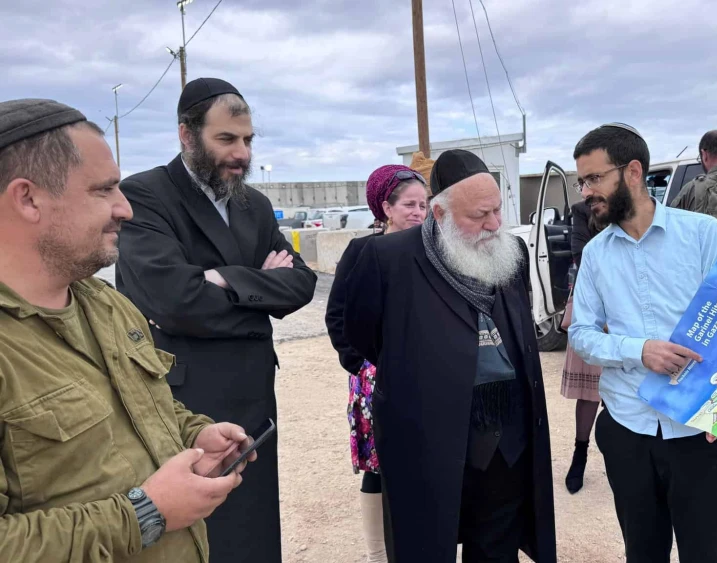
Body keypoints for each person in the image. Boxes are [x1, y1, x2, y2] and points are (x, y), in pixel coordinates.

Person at [0, 98, 257, 562]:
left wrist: (194, 434)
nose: (126, 209)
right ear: (28, 198)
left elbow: (143, 404)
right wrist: (145, 513)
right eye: (103, 190)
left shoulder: (107, 305)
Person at [115, 78, 317, 563]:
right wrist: (258, 287)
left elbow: (301, 285)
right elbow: (175, 300)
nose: (241, 153)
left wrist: (221, 278)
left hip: (254, 395)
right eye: (226, 139)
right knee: (200, 534)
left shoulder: (253, 204)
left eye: (247, 139)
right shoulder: (146, 195)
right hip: (188, 401)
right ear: (187, 134)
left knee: (254, 529)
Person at [344, 149, 556, 563]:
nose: (494, 224)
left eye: (497, 209)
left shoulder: (511, 250)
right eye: (480, 215)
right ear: (439, 214)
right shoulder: (388, 258)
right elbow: (359, 336)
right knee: (426, 545)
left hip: (508, 438)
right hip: (428, 439)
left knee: (496, 548)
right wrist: (421, 366)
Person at [568, 123, 717, 562]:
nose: (586, 192)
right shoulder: (596, 254)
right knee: (642, 553)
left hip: (699, 431)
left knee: (710, 553)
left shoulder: (702, 233)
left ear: (633, 172)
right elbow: (581, 334)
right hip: (628, 428)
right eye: (582, 182)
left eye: (595, 178)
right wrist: (639, 350)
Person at [325, 164, 428, 562]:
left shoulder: (434, 250)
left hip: (428, 377)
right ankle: (377, 554)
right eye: (409, 205)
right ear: (385, 207)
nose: (418, 212)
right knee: (378, 469)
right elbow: (338, 315)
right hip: (377, 379)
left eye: (423, 204)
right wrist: (363, 366)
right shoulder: (362, 251)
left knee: (426, 462)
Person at [560, 200, 606, 494]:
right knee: (589, 391)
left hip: (633, 306)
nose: (589, 188)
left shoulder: (633, 208)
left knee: (630, 384)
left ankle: (625, 454)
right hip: (591, 303)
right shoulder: (581, 210)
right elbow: (581, 254)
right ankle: (580, 452)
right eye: (585, 182)